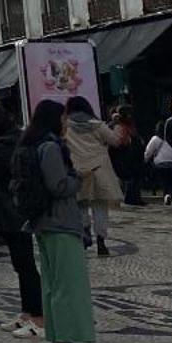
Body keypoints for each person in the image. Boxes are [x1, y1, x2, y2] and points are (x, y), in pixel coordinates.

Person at [18, 98, 99, 343]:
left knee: (53, 286)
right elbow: (58, 185)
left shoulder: (32, 144)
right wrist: (79, 178)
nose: (65, 122)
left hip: (44, 223)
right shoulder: (51, 147)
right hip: (59, 222)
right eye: (63, 118)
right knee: (68, 286)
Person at [0, 101, 42, 337]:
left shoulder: (5, 145)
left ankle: (38, 318)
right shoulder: (14, 138)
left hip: (13, 211)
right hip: (13, 210)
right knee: (21, 265)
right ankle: (27, 314)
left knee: (25, 265)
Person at [62, 96, 122, 255]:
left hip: (79, 170)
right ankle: (101, 241)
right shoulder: (98, 125)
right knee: (100, 207)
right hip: (99, 170)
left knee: (81, 205)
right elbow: (115, 141)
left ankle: (85, 232)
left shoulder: (66, 126)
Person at [109, 105, 145, 208]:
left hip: (132, 155)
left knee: (135, 177)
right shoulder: (119, 125)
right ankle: (131, 198)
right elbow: (119, 141)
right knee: (131, 177)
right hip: (125, 156)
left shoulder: (128, 125)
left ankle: (135, 197)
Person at [146, 119, 172, 205]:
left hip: (160, 164)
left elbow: (148, 152)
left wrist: (145, 160)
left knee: (164, 181)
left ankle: (167, 195)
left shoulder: (156, 139)